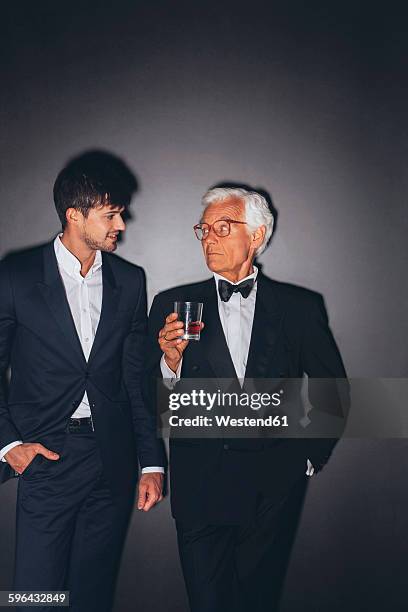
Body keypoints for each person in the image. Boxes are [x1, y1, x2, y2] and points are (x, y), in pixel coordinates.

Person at [147, 187, 348, 612]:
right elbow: (147, 401)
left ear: (256, 236)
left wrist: (306, 458)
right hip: (200, 490)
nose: (208, 239)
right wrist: (170, 364)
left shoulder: (299, 307)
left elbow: (333, 389)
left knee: (258, 603)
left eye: (223, 228)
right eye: (204, 229)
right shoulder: (171, 306)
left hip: (272, 489)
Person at [0, 151, 165, 612]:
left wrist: (151, 462)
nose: (121, 225)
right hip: (47, 457)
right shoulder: (15, 276)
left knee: (92, 595)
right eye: (110, 215)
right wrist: (8, 444)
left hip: (111, 461)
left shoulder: (130, 281)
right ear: (75, 215)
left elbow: (134, 377)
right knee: (36, 596)